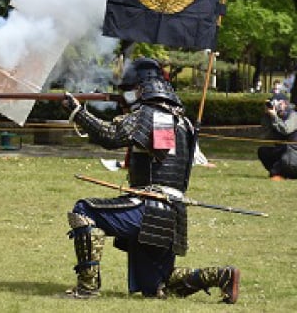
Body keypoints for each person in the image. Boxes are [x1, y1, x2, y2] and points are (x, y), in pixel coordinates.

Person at [61, 57, 240, 303]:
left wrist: (77, 112)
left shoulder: (148, 114)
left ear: (141, 88)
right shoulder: (183, 121)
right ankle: (221, 275)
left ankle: (87, 287)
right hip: (172, 213)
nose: (127, 94)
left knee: (84, 211)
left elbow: (111, 136)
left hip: (147, 206)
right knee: (156, 286)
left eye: (130, 89)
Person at [257, 92, 297, 180]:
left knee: (286, 151)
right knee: (263, 151)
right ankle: (279, 173)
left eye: (277, 103)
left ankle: (277, 172)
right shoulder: (275, 118)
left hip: (293, 153)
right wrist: (267, 116)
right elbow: (265, 136)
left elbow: (286, 130)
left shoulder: (294, 115)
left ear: (284, 103)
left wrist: (275, 117)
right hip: (283, 151)